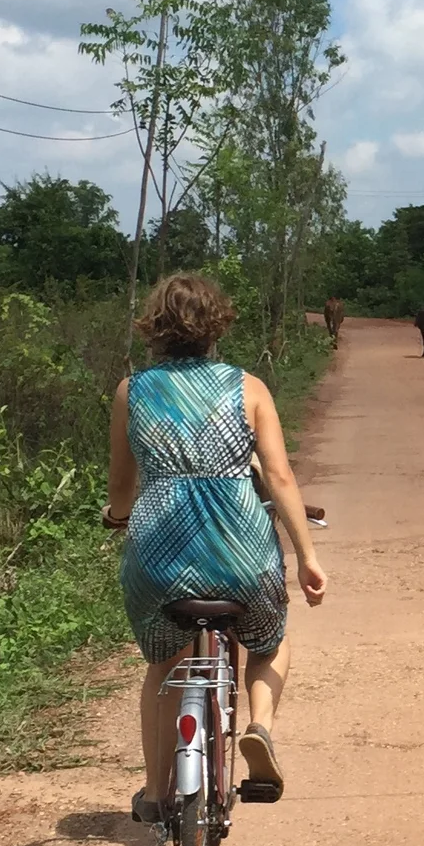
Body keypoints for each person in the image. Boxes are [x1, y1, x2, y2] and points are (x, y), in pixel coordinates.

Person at [104, 273, 326, 818]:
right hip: (242, 552)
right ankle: (258, 726)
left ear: (155, 329)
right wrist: (307, 558)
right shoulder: (249, 388)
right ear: (216, 326)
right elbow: (279, 479)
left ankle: (156, 794)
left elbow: (120, 488)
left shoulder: (132, 392)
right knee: (270, 642)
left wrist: (117, 516)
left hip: (158, 556)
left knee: (163, 668)